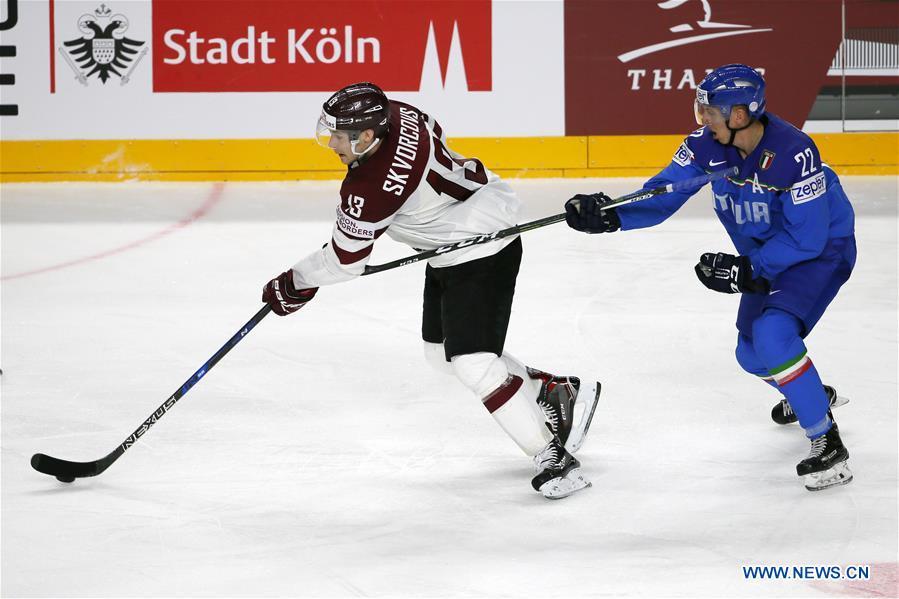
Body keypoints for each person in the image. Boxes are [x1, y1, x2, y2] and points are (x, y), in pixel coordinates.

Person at [261, 82, 601, 499]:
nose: (331, 142)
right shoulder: (400, 113)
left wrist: (294, 282)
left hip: (481, 246)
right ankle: (552, 391)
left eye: (339, 135)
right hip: (458, 233)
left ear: (367, 136)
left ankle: (551, 457)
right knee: (441, 354)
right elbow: (432, 133)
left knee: (473, 362)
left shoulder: (368, 188)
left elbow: (345, 262)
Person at [564, 64, 855, 492]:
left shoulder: (794, 153)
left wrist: (747, 270)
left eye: (710, 112)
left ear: (739, 115)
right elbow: (664, 192)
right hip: (766, 255)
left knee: (774, 336)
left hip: (819, 252)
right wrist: (609, 216)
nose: (702, 121)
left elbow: (807, 238)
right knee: (751, 355)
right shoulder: (704, 147)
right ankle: (808, 393)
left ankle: (826, 441)